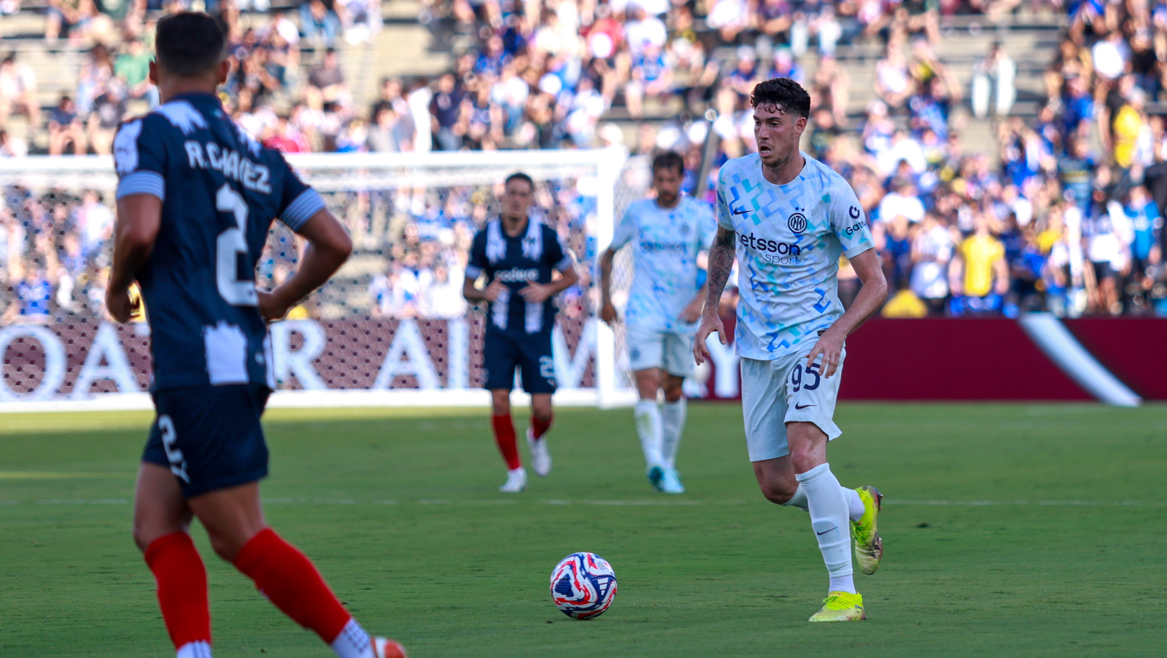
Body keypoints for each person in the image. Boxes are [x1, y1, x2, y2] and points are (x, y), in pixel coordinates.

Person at [105, 13, 405, 658]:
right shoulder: (259, 157)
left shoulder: (146, 134)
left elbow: (139, 228)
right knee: (155, 521)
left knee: (238, 535)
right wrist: (276, 300)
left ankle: (363, 650)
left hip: (196, 362)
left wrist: (114, 287)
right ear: (224, 73)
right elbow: (335, 241)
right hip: (239, 353)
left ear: (154, 73)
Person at [693, 78, 887, 623]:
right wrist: (711, 308)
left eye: (773, 123)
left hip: (813, 340)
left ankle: (844, 594)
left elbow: (875, 282)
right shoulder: (732, 178)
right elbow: (725, 241)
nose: (762, 133)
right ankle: (858, 505)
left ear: (800, 126)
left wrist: (836, 334)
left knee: (806, 457)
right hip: (756, 344)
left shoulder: (831, 191)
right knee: (777, 486)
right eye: (756, 122)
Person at [598, 150, 715, 494]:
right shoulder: (637, 213)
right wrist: (605, 299)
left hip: (682, 315)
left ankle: (667, 463)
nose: (665, 186)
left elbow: (721, 258)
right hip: (643, 312)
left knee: (674, 389)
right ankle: (654, 463)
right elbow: (608, 255)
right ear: (653, 180)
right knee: (647, 385)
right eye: (660, 180)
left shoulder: (697, 213)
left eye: (671, 180)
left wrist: (701, 300)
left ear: (681, 179)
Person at [463, 172, 579, 492]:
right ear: (502, 197)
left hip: (536, 332)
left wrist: (546, 289)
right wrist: (483, 293)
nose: (517, 199)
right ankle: (515, 472)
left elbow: (572, 276)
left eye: (523, 194)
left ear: (530, 200)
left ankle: (536, 436)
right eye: (512, 193)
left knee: (542, 408)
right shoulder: (485, 239)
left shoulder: (546, 237)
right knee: (499, 398)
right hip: (499, 332)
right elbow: (467, 288)